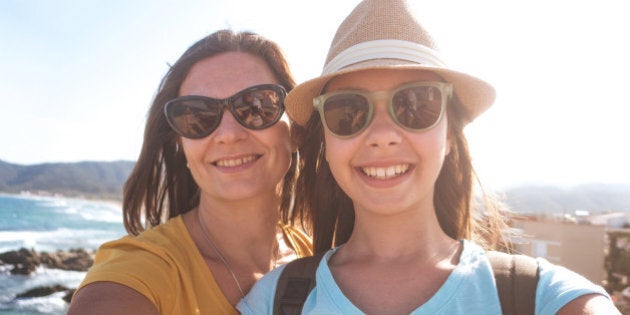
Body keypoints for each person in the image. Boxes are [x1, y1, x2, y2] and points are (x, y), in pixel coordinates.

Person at [238, 1, 619, 314]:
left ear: (450, 134)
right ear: (326, 140)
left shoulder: (548, 299)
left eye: (416, 104)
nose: (383, 136)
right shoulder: (271, 302)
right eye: (347, 112)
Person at [67, 29, 312, 314]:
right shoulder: (141, 271)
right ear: (181, 143)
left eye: (257, 105)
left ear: (295, 130)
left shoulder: (321, 257)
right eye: (198, 116)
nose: (228, 134)